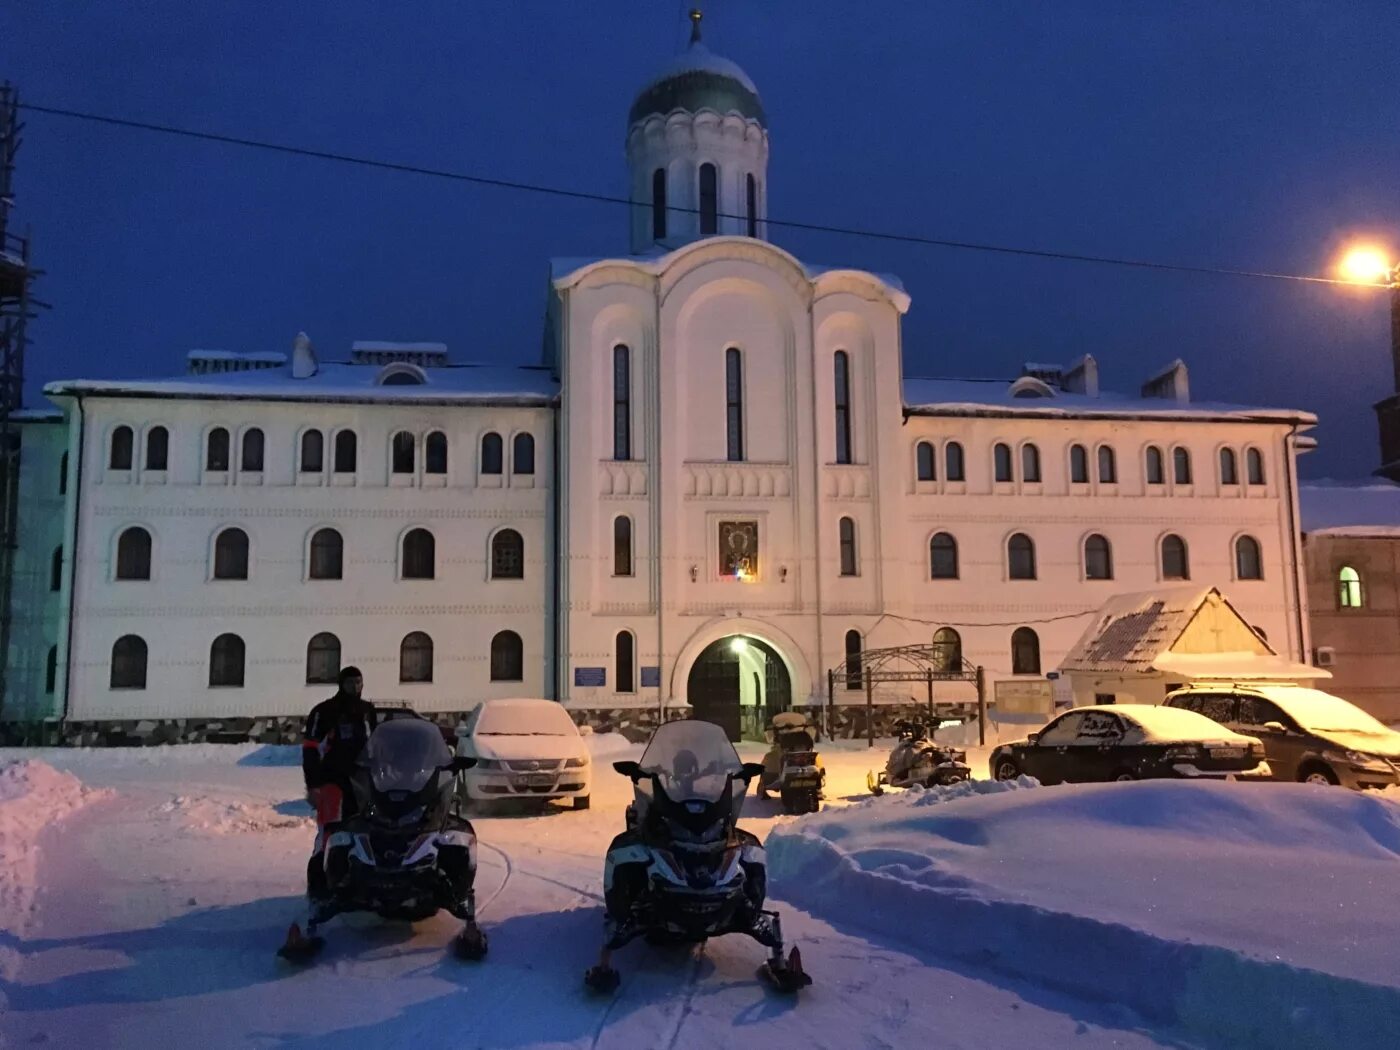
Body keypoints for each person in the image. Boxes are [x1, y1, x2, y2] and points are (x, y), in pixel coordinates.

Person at [301, 666, 377, 900]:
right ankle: (319, 884)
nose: (355, 687)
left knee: (363, 832)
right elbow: (311, 749)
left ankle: (356, 878)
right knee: (330, 833)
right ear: (340, 685)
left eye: (358, 682)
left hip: (363, 782)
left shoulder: (367, 710)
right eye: (350, 683)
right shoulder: (325, 711)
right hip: (332, 783)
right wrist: (313, 785)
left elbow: (377, 743)